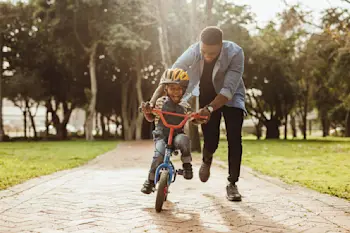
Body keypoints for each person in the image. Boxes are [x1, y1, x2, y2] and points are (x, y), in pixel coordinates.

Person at [144, 26, 246, 201]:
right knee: (211, 138)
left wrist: (210, 109)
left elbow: (228, 90)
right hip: (207, 94)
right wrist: (152, 102)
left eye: (212, 54)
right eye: (204, 52)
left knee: (234, 138)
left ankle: (232, 183)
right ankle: (207, 159)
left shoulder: (235, 53)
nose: (207, 57)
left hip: (232, 96)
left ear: (221, 45)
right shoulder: (194, 50)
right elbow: (170, 75)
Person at [140, 68, 204, 194]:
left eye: (179, 89)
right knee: (159, 155)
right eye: (172, 88)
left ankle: (187, 166)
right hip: (161, 136)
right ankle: (150, 181)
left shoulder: (185, 106)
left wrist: (199, 118)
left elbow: (193, 118)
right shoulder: (159, 102)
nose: (175, 92)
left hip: (177, 135)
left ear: (184, 90)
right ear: (166, 90)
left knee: (184, 140)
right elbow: (150, 117)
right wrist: (147, 112)